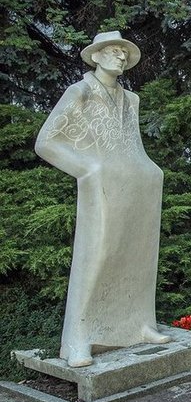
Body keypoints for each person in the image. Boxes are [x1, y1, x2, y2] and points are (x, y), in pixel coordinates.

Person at [34, 31, 170, 368]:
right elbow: (46, 142)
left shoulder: (131, 100)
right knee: (97, 256)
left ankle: (140, 324)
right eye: (113, 51)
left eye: (124, 52)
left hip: (138, 187)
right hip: (102, 187)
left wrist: (150, 171)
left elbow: (133, 147)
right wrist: (88, 170)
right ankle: (79, 338)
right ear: (96, 56)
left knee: (139, 254)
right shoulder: (79, 92)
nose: (121, 57)